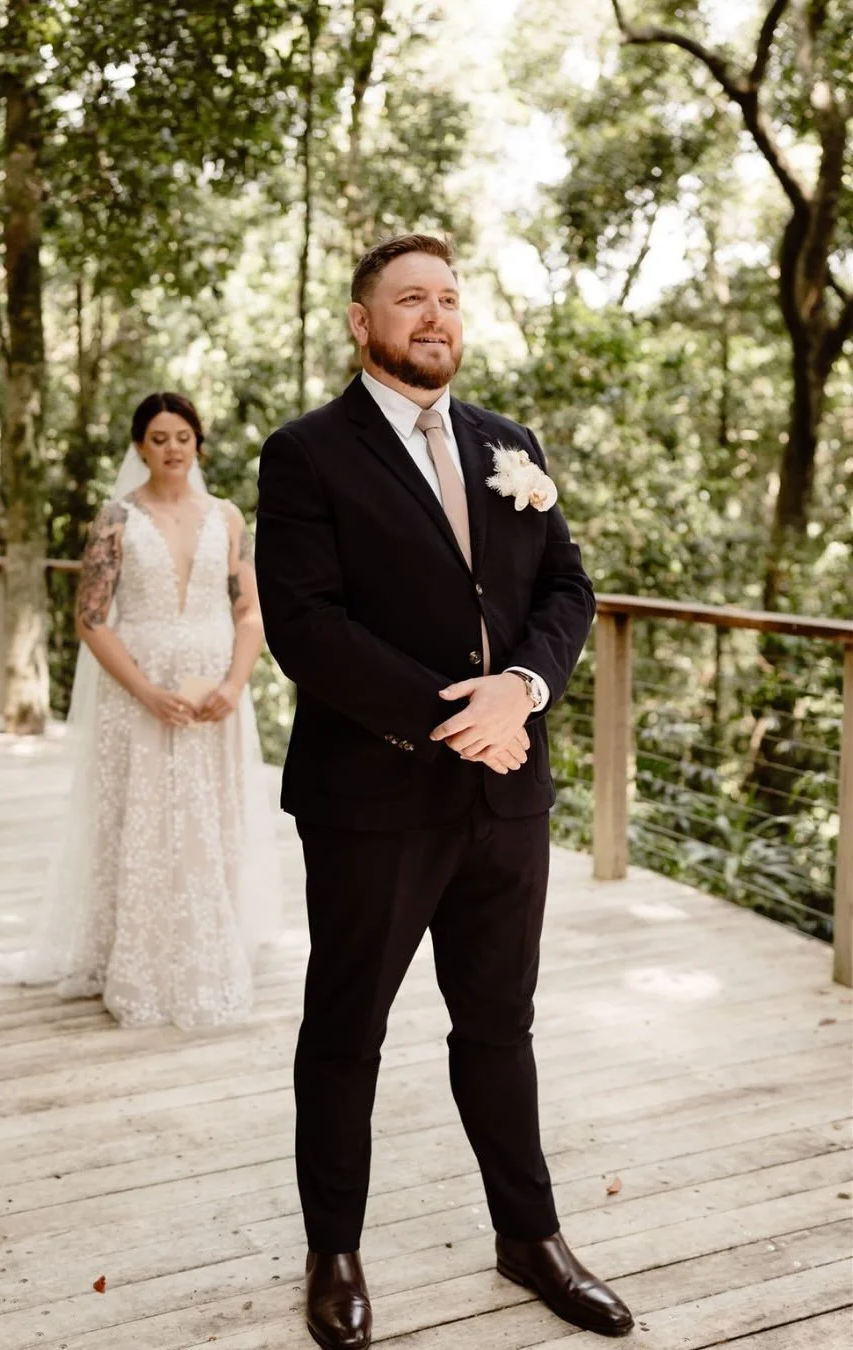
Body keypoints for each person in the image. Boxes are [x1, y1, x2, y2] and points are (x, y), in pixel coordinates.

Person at [255, 235, 633, 1347]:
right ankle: (334, 1254)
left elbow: (569, 587)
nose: (435, 316)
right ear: (361, 323)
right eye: (409, 299)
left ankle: (532, 1238)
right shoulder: (306, 453)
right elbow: (306, 628)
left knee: (500, 1025)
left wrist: (520, 688)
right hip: (373, 796)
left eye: (450, 300)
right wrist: (454, 718)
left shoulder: (509, 444)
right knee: (346, 1031)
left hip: (508, 796)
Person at [0, 392, 280, 1030]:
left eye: (183, 437)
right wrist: (146, 692)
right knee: (140, 817)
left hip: (213, 693)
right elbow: (90, 618)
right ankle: (131, 954)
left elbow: (248, 610)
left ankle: (205, 941)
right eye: (159, 437)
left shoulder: (226, 518)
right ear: (140, 446)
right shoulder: (117, 518)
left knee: (207, 814)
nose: (172, 448)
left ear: (198, 444)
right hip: (139, 692)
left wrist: (235, 682)